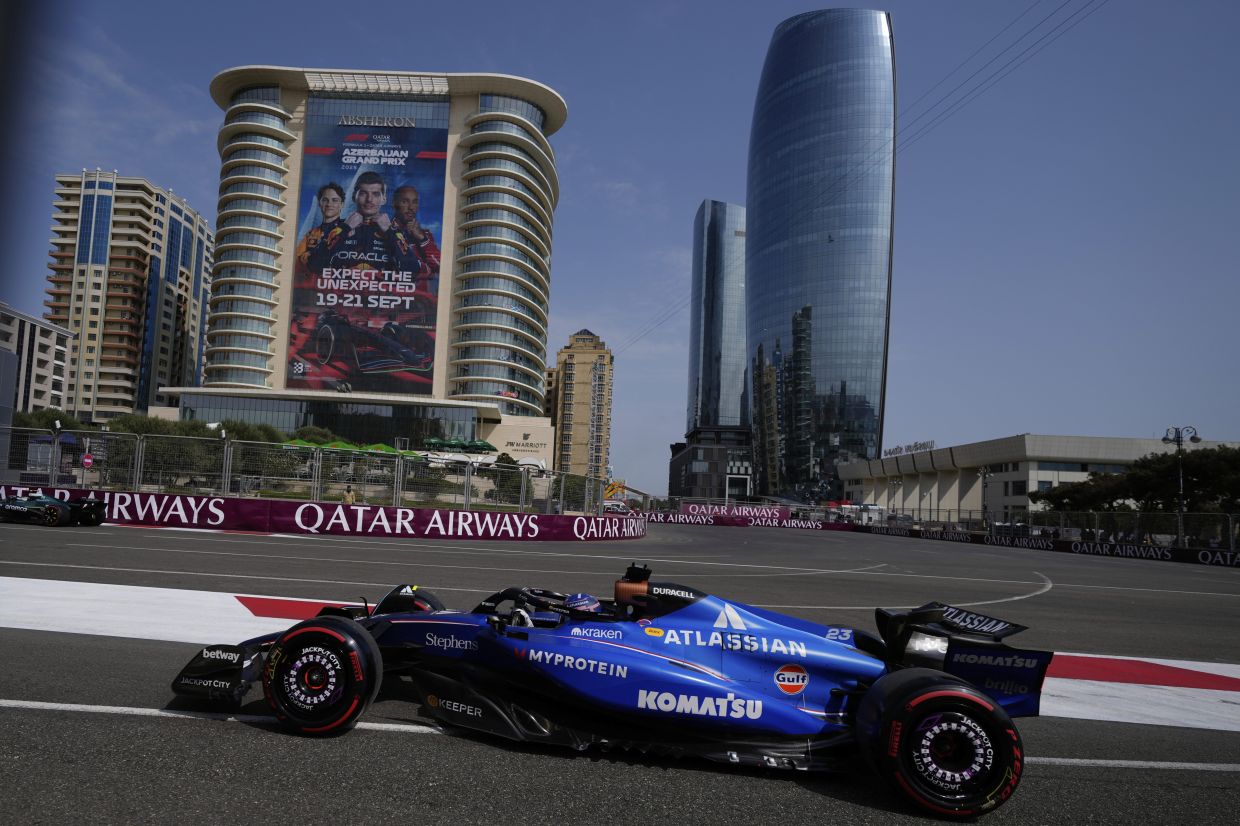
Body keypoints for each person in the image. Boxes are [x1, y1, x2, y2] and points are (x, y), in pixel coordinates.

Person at [390, 185, 442, 291]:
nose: (411, 207)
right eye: (405, 201)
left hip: (418, 302)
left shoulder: (425, 235)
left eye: (414, 202)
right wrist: (424, 269)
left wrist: (422, 239)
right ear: (394, 204)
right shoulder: (384, 231)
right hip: (389, 298)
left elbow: (439, 266)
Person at [296, 182, 347, 270]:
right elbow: (298, 262)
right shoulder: (311, 233)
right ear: (319, 203)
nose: (329, 204)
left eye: (334, 200)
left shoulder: (347, 228)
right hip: (316, 281)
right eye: (325, 200)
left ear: (342, 205)